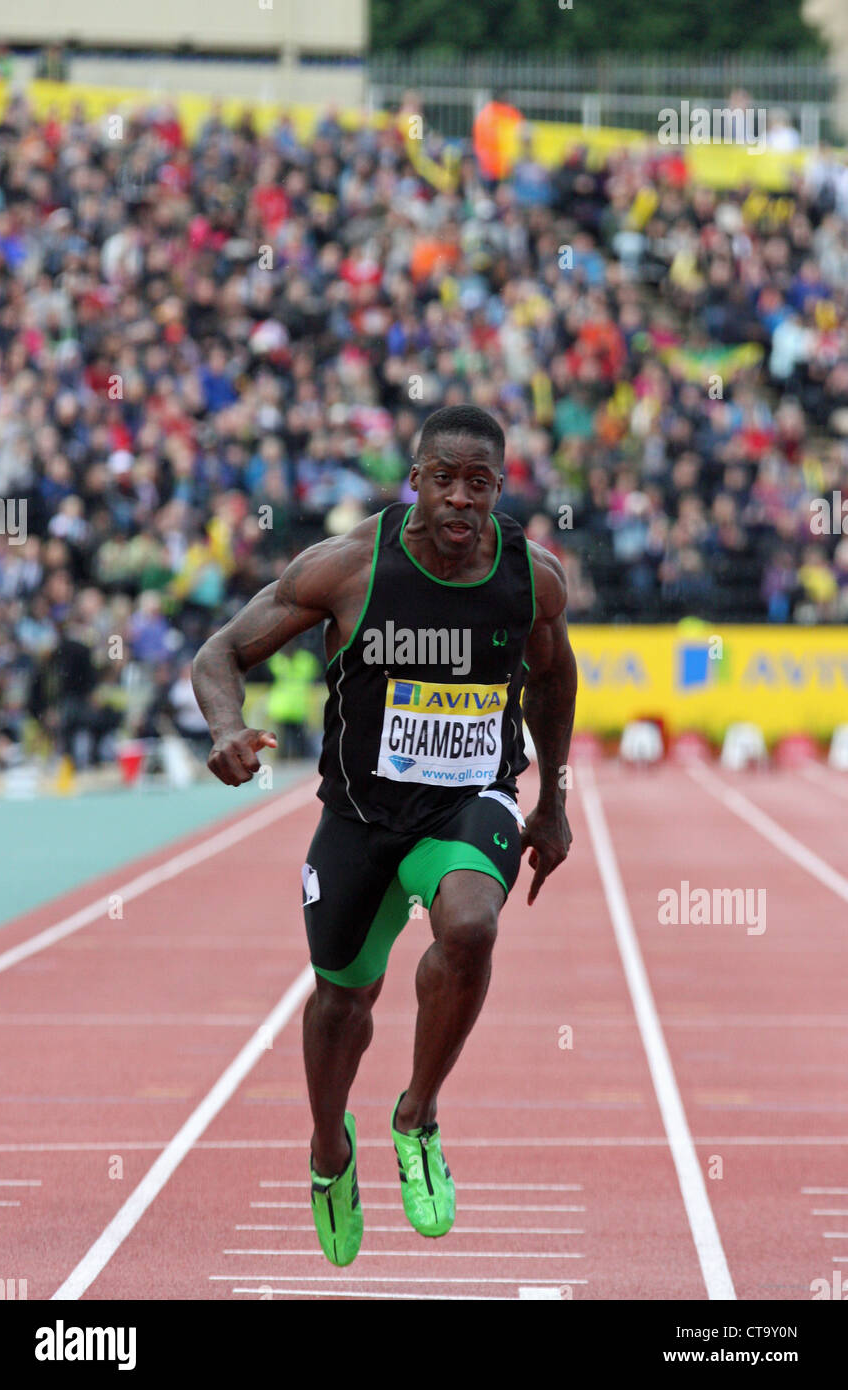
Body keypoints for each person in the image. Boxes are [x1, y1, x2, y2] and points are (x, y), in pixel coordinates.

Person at [192, 405, 577, 1266]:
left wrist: (550, 799)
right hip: (360, 816)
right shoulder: (348, 568)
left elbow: (554, 676)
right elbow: (219, 653)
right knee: (341, 1001)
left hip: (468, 800)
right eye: (443, 477)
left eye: (478, 483)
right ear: (414, 481)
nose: (459, 498)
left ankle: (418, 1114)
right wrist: (225, 727)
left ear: (498, 490)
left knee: (471, 928)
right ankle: (330, 1149)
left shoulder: (531, 577)